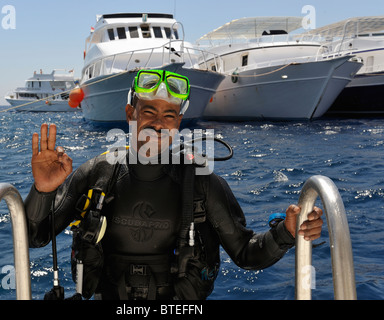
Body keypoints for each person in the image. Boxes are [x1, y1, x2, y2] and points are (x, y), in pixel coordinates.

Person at [24, 69, 323, 300]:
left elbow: (246, 253)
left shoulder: (202, 183)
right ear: (130, 115)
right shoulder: (98, 173)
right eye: (148, 112)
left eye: (169, 115)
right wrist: (43, 190)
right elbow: (35, 237)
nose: (158, 123)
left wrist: (285, 232)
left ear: (178, 123)